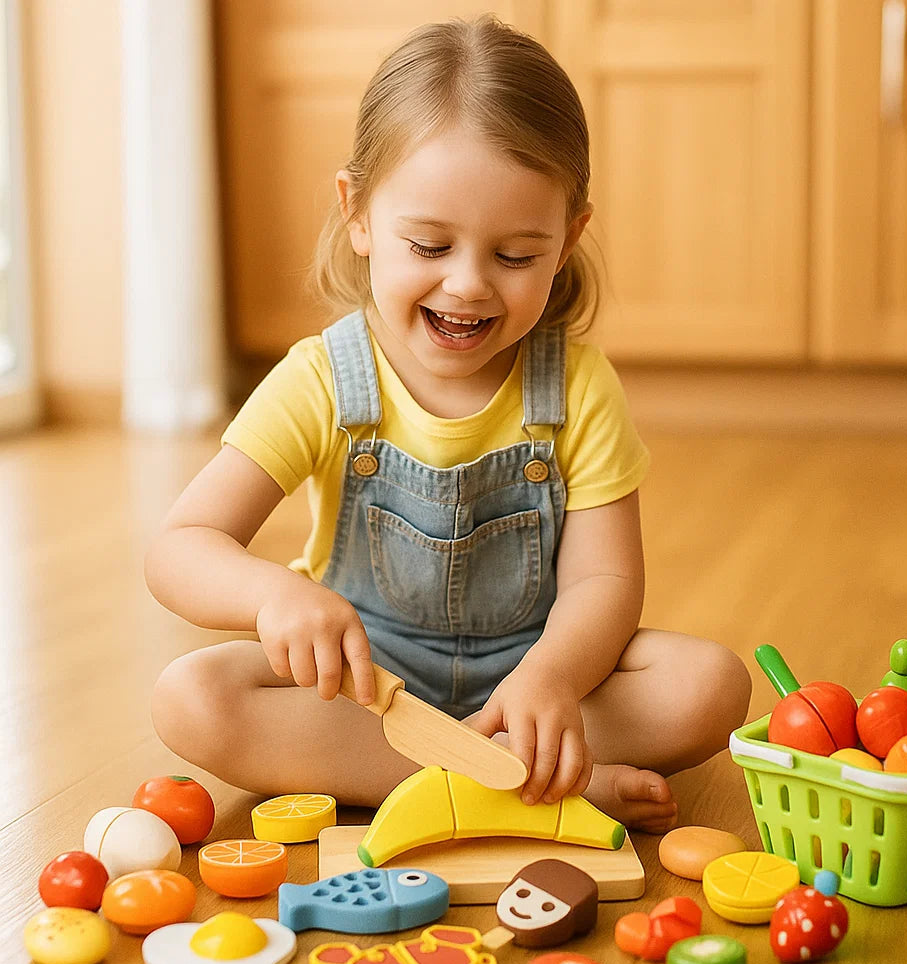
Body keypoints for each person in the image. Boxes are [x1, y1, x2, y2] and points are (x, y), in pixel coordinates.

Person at [146, 15, 750, 833]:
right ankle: (529, 791)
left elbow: (605, 585)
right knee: (191, 699)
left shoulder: (578, 388)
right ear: (357, 214)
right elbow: (178, 547)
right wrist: (270, 595)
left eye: (515, 256)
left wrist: (553, 680)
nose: (467, 286)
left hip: (532, 677)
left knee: (710, 685)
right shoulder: (324, 377)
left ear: (569, 238)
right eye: (429, 244)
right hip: (367, 690)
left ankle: (493, 770)